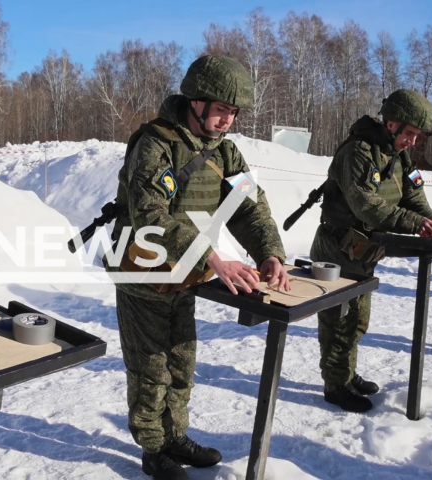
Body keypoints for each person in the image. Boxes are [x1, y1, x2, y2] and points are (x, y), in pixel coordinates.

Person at [106, 55, 289, 480]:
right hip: (143, 273)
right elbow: (151, 214)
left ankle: (176, 436)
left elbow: (250, 208)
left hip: (185, 273)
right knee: (151, 368)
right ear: (196, 101)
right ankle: (155, 451)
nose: (228, 120)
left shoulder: (224, 151)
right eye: (222, 109)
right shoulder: (155, 143)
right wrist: (212, 256)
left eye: (234, 112)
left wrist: (269, 253)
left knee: (182, 362)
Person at [310, 89, 432, 413]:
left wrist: (430, 221)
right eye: (409, 133)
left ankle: (347, 373)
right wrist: (416, 223)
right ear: (392, 123)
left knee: (357, 321)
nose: (412, 141)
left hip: (365, 252)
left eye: (417, 136)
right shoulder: (358, 152)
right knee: (338, 321)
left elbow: (413, 194)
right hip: (337, 251)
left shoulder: (399, 156)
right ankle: (335, 385)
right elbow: (366, 205)